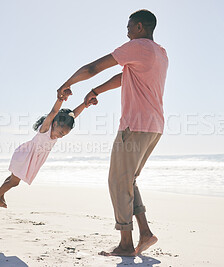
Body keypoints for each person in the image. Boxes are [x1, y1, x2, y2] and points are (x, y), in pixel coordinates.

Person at [57, 9, 168, 256]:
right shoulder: (160, 53)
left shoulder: (137, 46)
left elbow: (94, 66)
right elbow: (125, 76)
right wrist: (96, 90)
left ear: (140, 27)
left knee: (118, 181)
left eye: (129, 26)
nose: (126, 31)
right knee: (128, 179)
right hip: (154, 127)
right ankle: (146, 234)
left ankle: (126, 245)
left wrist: (67, 84)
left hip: (134, 126)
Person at [0, 90, 98, 208]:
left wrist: (85, 105)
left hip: (30, 157)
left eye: (64, 135)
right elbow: (53, 112)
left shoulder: (60, 126)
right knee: (15, 181)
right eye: (61, 132)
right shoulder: (46, 128)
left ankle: (1, 193)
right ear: (56, 123)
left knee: (13, 178)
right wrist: (60, 99)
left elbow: (73, 114)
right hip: (27, 155)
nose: (61, 136)